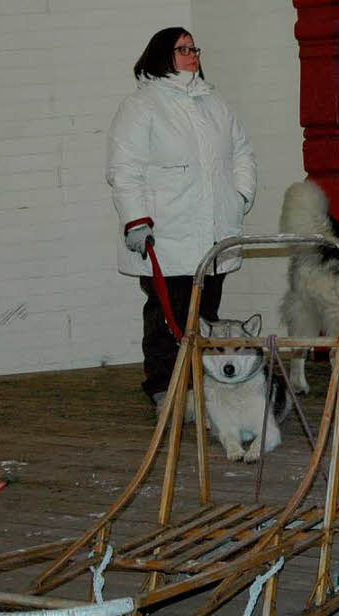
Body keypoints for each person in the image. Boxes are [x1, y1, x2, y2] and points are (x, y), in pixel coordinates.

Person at [106, 27, 257, 405]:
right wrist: (136, 220)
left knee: (206, 315)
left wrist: (240, 196)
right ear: (162, 55)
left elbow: (242, 153)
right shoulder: (141, 106)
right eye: (183, 48)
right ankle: (165, 389)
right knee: (166, 317)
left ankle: (199, 388)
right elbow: (124, 168)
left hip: (214, 232)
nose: (193, 54)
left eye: (195, 48)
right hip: (167, 234)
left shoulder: (214, 103)